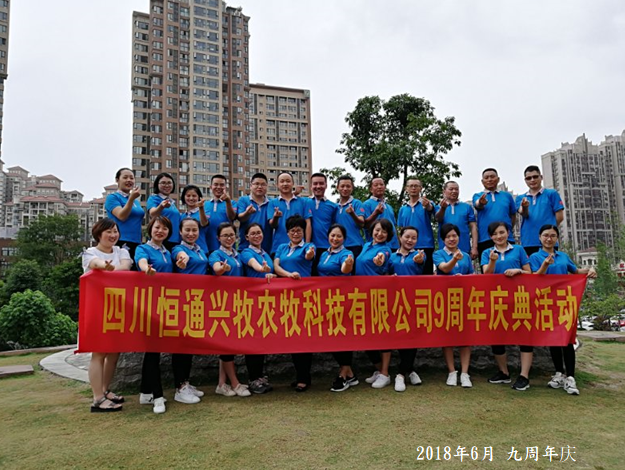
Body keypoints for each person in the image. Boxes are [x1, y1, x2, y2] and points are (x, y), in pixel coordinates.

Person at [530, 224, 597, 395]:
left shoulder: (563, 256)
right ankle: (559, 373)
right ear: (539, 238)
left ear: (557, 238)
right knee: (553, 339)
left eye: (552, 235)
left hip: (564, 302)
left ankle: (571, 377)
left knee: (567, 340)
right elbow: (535, 277)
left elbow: (575, 271)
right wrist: (545, 265)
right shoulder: (535, 257)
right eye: (545, 235)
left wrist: (589, 270)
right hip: (546, 303)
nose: (549, 239)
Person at [82, 218, 132, 412]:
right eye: (108, 232)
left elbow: (126, 267)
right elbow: (95, 263)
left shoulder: (122, 251)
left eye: (115, 231)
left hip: (117, 307)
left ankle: (105, 390)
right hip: (97, 307)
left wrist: (110, 269)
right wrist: (104, 266)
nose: (113, 235)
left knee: (113, 352)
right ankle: (97, 399)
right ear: (98, 234)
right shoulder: (90, 252)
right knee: (99, 352)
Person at [135, 216, 183, 414]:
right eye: (157, 227)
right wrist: (146, 269)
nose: (160, 231)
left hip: (166, 304)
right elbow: (141, 262)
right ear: (150, 229)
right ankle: (158, 396)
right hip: (148, 304)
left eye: (164, 228)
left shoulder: (167, 252)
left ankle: (145, 391)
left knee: (154, 349)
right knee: (153, 350)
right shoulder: (143, 249)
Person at [481, 222, 533, 391]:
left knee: (524, 336)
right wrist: (492, 261)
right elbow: (487, 274)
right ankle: (504, 372)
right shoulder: (487, 253)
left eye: (502, 232)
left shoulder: (518, 249)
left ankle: (524, 376)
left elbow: (530, 273)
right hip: (497, 299)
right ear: (491, 237)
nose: (499, 236)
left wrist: (519, 271)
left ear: (508, 233)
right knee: (497, 336)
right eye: (495, 234)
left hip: (519, 298)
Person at [273, 215, 316, 392]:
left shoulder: (308, 246)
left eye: (299, 230)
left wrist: (309, 254)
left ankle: (304, 377)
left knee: (303, 336)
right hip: (286, 297)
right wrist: (288, 275)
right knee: (292, 335)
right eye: (292, 230)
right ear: (288, 232)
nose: (296, 233)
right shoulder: (282, 247)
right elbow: (276, 266)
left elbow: (309, 256)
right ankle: (300, 375)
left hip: (304, 296)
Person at [208, 222, 251, 397]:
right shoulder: (216, 254)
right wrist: (222, 268)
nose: (229, 238)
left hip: (237, 302)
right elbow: (217, 269)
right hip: (222, 303)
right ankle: (235, 383)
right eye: (225, 235)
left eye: (231, 235)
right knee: (226, 343)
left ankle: (221, 383)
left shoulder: (238, 255)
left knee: (227, 342)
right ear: (218, 238)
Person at [170, 217, 209, 405]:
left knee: (189, 344)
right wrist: (183, 260)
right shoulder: (178, 249)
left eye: (194, 230)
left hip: (197, 302)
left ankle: (186, 382)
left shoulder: (200, 250)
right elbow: (181, 257)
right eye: (187, 230)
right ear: (180, 232)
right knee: (180, 345)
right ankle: (180, 387)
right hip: (183, 302)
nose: (191, 233)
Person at [315, 224, 357, 392]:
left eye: (339, 236)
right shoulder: (324, 254)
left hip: (340, 300)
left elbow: (345, 269)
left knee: (341, 336)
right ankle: (350, 374)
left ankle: (343, 374)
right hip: (324, 300)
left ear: (344, 239)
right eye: (333, 235)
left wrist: (347, 264)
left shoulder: (347, 254)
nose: (335, 239)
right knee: (329, 336)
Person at [433, 223, 474, 388]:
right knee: (447, 336)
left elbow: (472, 275)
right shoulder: (438, 254)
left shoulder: (466, 256)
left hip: (464, 299)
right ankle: (451, 371)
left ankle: (465, 373)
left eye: (454, 236)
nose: (451, 239)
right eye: (448, 236)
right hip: (445, 300)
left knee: (465, 337)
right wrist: (454, 260)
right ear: (443, 239)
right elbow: (443, 268)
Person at [355, 218, 393, 389]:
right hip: (362, 295)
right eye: (377, 230)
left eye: (384, 231)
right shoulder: (366, 246)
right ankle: (379, 369)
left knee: (382, 333)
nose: (380, 234)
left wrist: (380, 259)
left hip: (377, 295)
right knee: (366, 335)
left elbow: (382, 258)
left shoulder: (385, 250)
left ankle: (385, 373)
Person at [388, 226, 425, 392]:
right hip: (394, 302)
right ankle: (410, 370)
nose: (410, 240)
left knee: (412, 337)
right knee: (399, 336)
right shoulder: (391, 256)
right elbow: (384, 274)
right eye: (407, 237)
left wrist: (419, 260)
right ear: (400, 237)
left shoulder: (419, 255)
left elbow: (420, 264)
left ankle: (400, 374)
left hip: (413, 301)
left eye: (414, 238)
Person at [240, 223, 275, 394]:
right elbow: (254, 265)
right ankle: (253, 378)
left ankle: (260, 375)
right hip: (252, 301)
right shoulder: (246, 252)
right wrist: (262, 269)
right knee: (253, 339)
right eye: (252, 233)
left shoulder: (265, 253)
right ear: (247, 237)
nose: (256, 236)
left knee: (262, 339)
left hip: (266, 302)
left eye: (259, 233)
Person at [516, 165, 565, 256]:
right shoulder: (521, 198)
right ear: (525, 180)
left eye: (535, 177)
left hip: (548, 241)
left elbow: (560, 217)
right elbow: (523, 213)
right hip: (529, 242)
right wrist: (525, 206)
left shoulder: (551, 194)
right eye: (529, 178)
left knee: (550, 264)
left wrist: (549, 230)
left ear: (541, 177)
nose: (532, 180)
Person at [472, 168, 517, 262]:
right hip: (485, 239)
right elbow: (477, 205)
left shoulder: (507, 196)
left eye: (492, 177)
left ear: (498, 179)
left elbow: (513, 215)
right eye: (486, 177)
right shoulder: (478, 195)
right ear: (482, 181)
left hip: (507, 239)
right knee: (488, 268)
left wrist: (506, 230)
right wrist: (481, 202)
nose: (489, 179)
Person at [397, 178, 438, 274]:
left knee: (426, 275)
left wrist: (427, 205)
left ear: (421, 188)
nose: (413, 188)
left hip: (425, 245)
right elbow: (401, 228)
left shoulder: (426, 203)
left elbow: (430, 208)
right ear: (406, 189)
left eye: (416, 186)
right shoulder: (403, 209)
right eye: (411, 186)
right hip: (407, 246)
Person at [105, 168, 144, 261]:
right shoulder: (113, 198)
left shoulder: (135, 201)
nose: (129, 180)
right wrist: (131, 199)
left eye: (131, 178)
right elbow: (121, 216)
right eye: (125, 177)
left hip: (137, 242)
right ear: (117, 180)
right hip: (121, 241)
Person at [268, 172, 312, 255]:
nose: (285, 184)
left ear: (293, 183)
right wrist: (276, 217)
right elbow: (272, 225)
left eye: (288, 181)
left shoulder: (303, 201)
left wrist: (307, 245)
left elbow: (308, 223)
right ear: (277, 185)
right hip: (278, 247)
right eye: (282, 181)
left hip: (300, 247)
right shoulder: (272, 203)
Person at [436, 181, 478, 260]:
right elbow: (438, 218)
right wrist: (443, 208)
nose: (454, 191)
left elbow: (473, 227)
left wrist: (474, 247)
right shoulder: (438, 207)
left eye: (456, 189)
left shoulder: (467, 207)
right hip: (444, 250)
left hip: (464, 248)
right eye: (451, 189)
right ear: (444, 191)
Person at [309, 173, 338, 274]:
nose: (318, 186)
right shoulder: (304, 202)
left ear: (326, 185)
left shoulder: (333, 206)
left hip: (326, 248)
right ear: (311, 186)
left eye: (321, 183)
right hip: (308, 248)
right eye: (315, 183)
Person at [237, 173, 272, 253]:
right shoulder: (243, 200)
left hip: (266, 248)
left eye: (263, 184)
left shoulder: (271, 202)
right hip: (246, 247)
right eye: (256, 184)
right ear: (251, 186)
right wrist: (247, 213)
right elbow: (240, 218)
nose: (259, 187)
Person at [147, 172, 181, 251]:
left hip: (175, 240)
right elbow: (152, 214)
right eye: (163, 183)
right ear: (157, 185)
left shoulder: (171, 202)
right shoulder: (154, 198)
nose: (167, 185)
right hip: (162, 239)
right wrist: (161, 206)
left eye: (169, 183)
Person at [363, 178, 399, 250]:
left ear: (385, 187)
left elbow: (394, 226)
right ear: (371, 189)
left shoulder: (389, 206)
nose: (379, 187)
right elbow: (364, 225)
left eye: (381, 184)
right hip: (377, 246)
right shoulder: (366, 204)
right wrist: (375, 213)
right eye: (376, 185)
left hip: (394, 245)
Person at [204, 175, 236, 253]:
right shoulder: (205, 205)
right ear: (211, 187)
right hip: (208, 246)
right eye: (216, 184)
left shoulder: (232, 203)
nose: (218, 187)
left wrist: (228, 201)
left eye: (222, 185)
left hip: (227, 246)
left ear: (225, 187)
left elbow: (232, 217)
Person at [335, 174, 365, 258]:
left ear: (352, 188)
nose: (345, 189)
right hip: (338, 246)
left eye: (348, 186)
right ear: (337, 188)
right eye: (342, 186)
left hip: (354, 245)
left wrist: (352, 214)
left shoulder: (357, 203)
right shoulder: (335, 207)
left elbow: (362, 223)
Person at [180, 185, 210, 254]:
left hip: (201, 251)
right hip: (185, 252)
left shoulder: (205, 212)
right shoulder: (182, 216)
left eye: (194, 196)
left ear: (199, 197)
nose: (191, 198)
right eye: (188, 196)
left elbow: (204, 223)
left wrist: (201, 208)